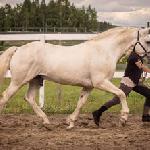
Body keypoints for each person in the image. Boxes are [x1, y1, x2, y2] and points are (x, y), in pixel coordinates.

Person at [92, 50, 150, 126]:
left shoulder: (138, 55)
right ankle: (98, 112)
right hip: (128, 82)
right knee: (116, 100)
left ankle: (145, 116)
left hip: (136, 82)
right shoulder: (133, 56)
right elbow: (141, 67)